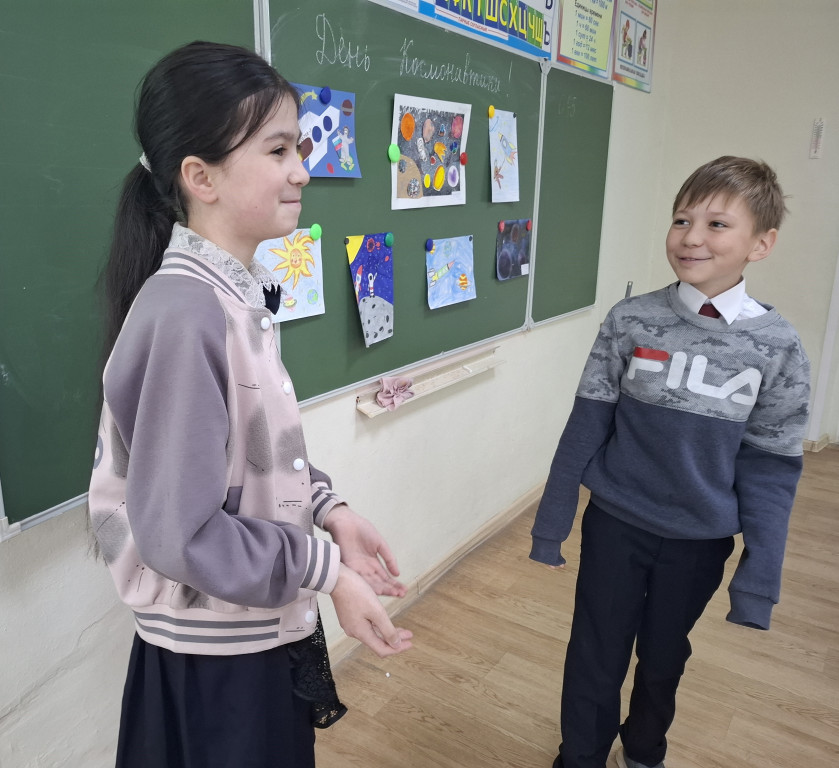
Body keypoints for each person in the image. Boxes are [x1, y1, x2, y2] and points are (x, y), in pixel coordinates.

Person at [88, 41, 412, 768]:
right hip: (215, 667)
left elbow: (252, 457)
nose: (302, 170)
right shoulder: (188, 314)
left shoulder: (233, 297)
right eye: (277, 150)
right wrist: (329, 571)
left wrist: (330, 511)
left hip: (248, 634)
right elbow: (184, 535)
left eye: (298, 147)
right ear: (200, 177)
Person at [530, 156, 810, 768]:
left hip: (699, 541)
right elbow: (586, 425)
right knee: (595, 652)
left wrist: (758, 579)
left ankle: (644, 749)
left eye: (717, 224)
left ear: (761, 244)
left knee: (663, 655)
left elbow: (771, 469)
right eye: (682, 219)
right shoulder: (631, 319)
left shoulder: (778, 346)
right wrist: (552, 523)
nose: (691, 237)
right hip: (616, 524)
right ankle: (580, 756)